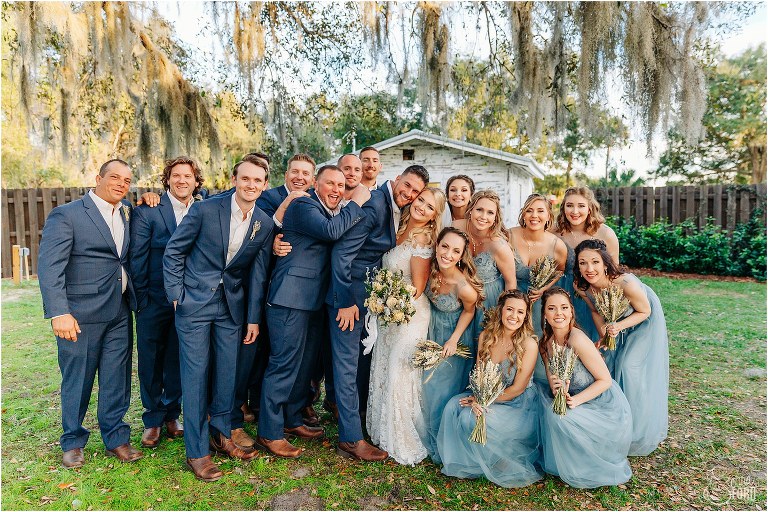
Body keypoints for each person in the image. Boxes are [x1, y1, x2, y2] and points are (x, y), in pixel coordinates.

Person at [163, 154, 274, 481]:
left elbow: (258, 272)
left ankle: (222, 434)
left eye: (258, 180)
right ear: (235, 179)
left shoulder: (264, 223)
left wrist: (253, 318)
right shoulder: (205, 209)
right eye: (246, 178)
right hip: (193, 304)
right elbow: (174, 251)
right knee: (195, 377)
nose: (251, 185)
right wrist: (176, 295)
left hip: (232, 309)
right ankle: (197, 452)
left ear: (265, 185)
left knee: (227, 374)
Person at [256, 165, 369, 458]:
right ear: (315, 185)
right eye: (329, 183)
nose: (336, 190)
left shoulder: (329, 210)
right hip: (290, 299)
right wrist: (357, 200)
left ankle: (293, 420)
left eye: (341, 186)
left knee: (303, 366)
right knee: (283, 365)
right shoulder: (303, 204)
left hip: (314, 302)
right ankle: (269, 432)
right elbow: (332, 232)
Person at [38, 159, 142, 468]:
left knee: (116, 378)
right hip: (79, 315)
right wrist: (59, 312)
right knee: (78, 379)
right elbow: (50, 267)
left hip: (120, 311)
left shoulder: (127, 214)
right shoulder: (67, 215)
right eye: (114, 177)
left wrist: (151, 199)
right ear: (98, 178)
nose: (121, 184)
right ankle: (72, 441)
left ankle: (116, 439)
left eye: (127, 180)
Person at [326, 164, 430, 460]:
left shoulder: (392, 206)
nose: (409, 194)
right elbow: (343, 253)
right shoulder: (374, 204)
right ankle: (349, 438)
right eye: (407, 186)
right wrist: (345, 301)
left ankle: (357, 420)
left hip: (369, 299)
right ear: (396, 179)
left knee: (360, 362)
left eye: (415, 192)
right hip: (348, 297)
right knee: (347, 365)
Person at [367, 187, 445, 465]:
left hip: (408, 312)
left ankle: (403, 435)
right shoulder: (398, 226)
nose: (421, 207)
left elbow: (418, 287)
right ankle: (381, 430)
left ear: (435, 217)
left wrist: (388, 300)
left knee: (400, 371)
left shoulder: (422, 239)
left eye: (429, 207)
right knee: (385, 365)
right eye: (420, 200)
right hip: (389, 312)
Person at [129, 156, 204, 449]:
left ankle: (173, 414)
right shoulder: (149, 211)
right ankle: (152, 419)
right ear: (168, 180)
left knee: (177, 358)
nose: (182, 180)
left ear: (196, 181)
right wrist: (142, 298)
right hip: (154, 299)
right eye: (176, 175)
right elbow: (136, 257)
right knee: (150, 360)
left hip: (189, 301)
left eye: (188, 176)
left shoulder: (205, 209)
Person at [574, 238, 669, 456]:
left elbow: (645, 311)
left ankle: (637, 427)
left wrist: (618, 326)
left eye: (595, 262)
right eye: (582, 263)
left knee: (629, 367)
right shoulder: (582, 287)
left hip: (642, 322)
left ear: (605, 263)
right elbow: (596, 311)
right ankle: (615, 422)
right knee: (609, 364)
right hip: (615, 325)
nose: (589, 269)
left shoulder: (625, 283)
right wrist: (605, 338)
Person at [438, 290, 542, 488]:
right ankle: (467, 461)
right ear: (500, 311)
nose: (514, 316)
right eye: (510, 309)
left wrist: (483, 402)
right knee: (454, 406)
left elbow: (518, 388)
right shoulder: (486, 336)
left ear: (526, 316)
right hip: (485, 393)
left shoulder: (529, 344)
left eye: (520, 312)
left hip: (517, 403)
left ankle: (491, 461)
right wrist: (478, 397)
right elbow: (479, 374)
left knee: (472, 417)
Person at [535, 287, 632, 488]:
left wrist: (577, 400)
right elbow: (552, 378)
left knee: (559, 416)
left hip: (597, 399)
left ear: (571, 311)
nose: (558, 313)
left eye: (563, 308)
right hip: (571, 395)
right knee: (544, 405)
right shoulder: (545, 343)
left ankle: (583, 464)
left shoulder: (577, 339)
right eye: (551, 309)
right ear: (544, 313)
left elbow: (605, 380)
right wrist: (556, 389)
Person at [422, 227, 483, 463]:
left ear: (461, 256)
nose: (448, 254)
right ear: (437, 245)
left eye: (455, 251)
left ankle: (442, 440)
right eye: (445, 246)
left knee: (440, 388)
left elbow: (469, 311)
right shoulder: (430, 268)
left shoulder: (463, 286)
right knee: (425, 385)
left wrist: (453, 339)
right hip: (430, 329)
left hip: (452, 336)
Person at [509, 193, 568, 382]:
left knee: (536, 339)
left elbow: (560, 271)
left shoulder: (557, 245)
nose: (534, 215)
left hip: (537, 302)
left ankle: (536, 380)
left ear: (548, 216)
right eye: (529, 210)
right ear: (523, 215)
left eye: (540, 211)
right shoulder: (509, 235)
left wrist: (543, 289)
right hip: (511, 296)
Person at [553, 186, 619, 342]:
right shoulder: (554, 232)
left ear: (590, 208)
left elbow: (614, 271)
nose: (575, 211)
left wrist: (607, 303)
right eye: (570, 206)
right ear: (563, 208)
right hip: (563, 290)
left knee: (592, 338)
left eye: (581, 206)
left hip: (592, 291)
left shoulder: (605, 233)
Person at [454, 190, 517, 336]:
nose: (483, 217)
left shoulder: (498, 246)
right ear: (470, 210)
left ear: (495, 218)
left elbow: (511, 283)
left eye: (490, 213)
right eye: (479, 210)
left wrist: (503, 314)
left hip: (488, 300)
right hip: (460, 294)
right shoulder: (456, 228)